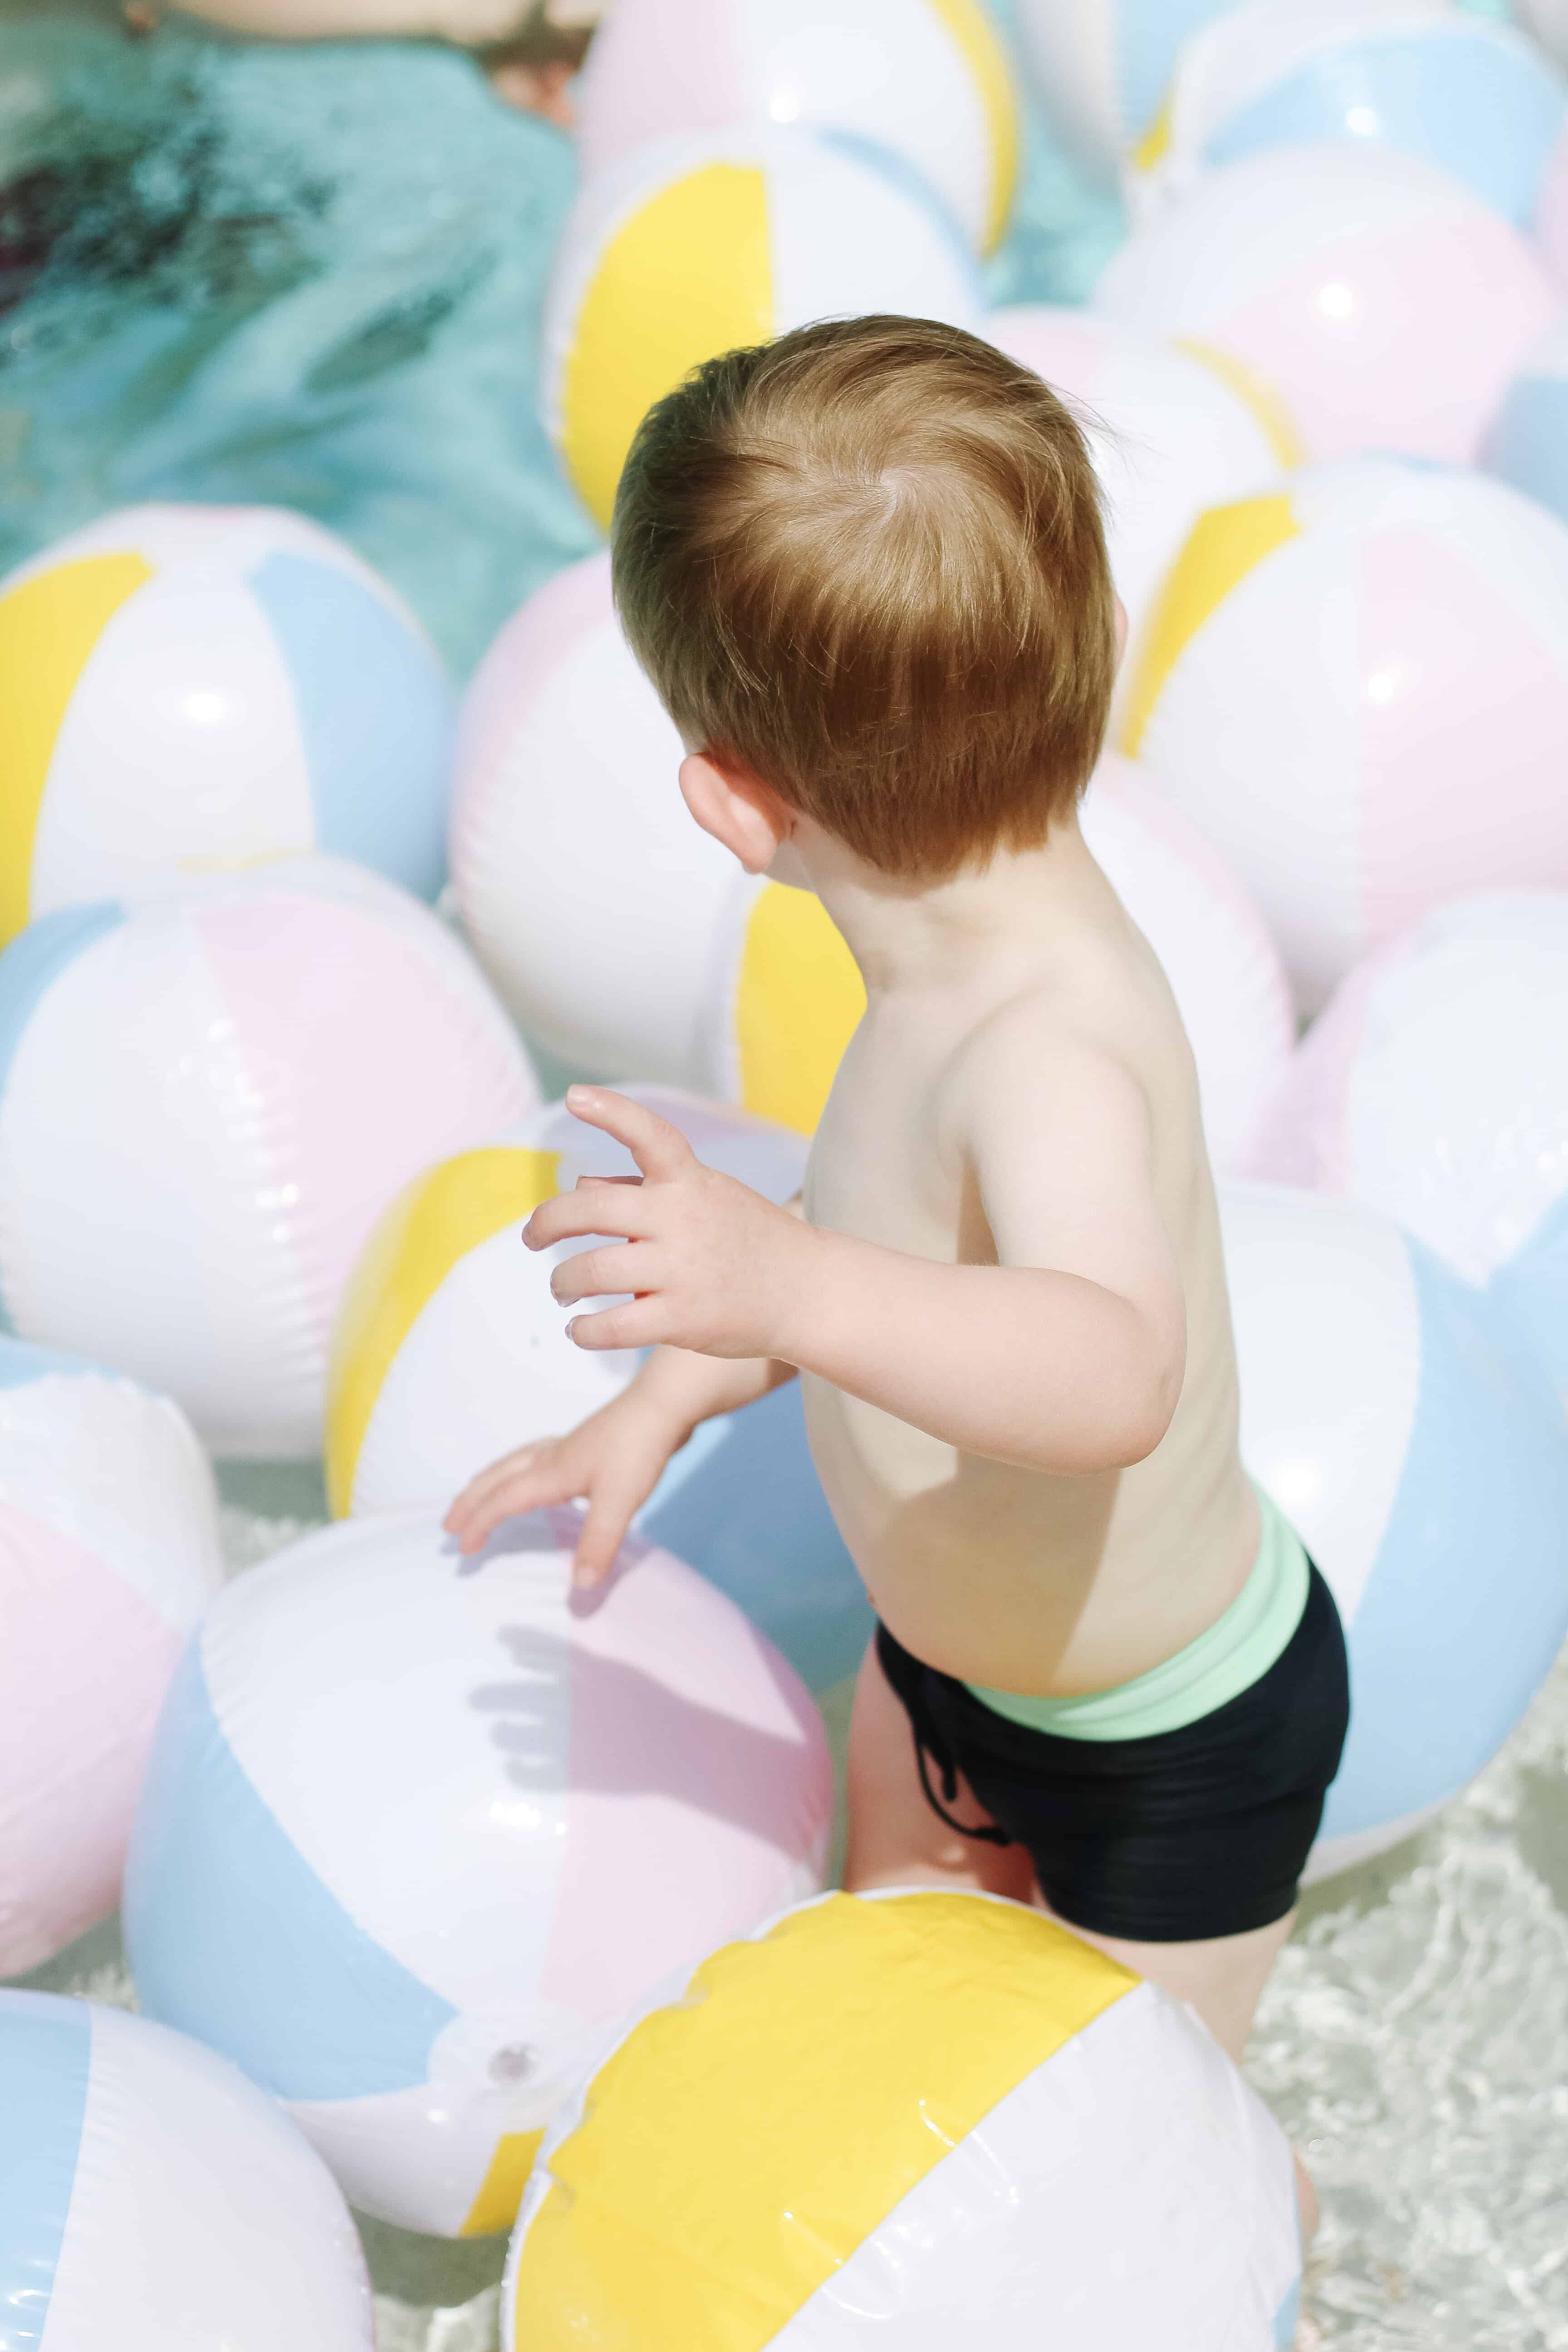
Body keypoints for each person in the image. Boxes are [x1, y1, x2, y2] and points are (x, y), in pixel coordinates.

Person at [445, 314, 1348, 2225]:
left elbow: (1110, 1375)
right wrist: (674, 1393)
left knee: (1147, 2171)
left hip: (1164, 1743)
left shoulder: (1043, 1039)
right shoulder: (944, 942)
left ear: (734, 805)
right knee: (897, 2056)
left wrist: (780, 1290)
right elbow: (889, 1263)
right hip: (942, 1675)